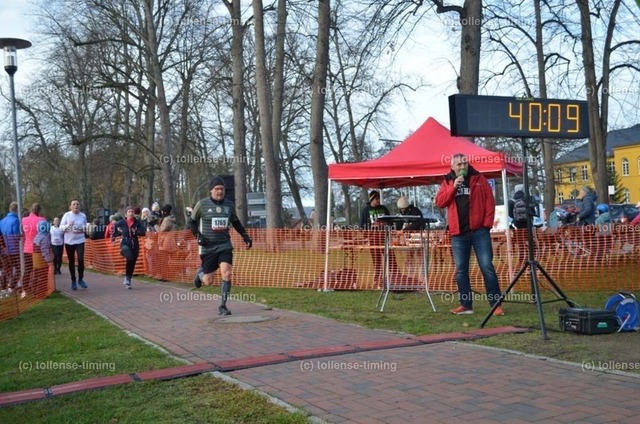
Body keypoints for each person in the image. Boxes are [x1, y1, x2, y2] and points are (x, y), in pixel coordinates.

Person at [435, 153, 504, 316]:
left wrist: (486, 225)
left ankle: (496, 305)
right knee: (461, 270)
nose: (462, 167)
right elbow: (440, 202)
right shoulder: (447, 181)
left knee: (487, 266)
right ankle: (466, 305)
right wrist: (453, 187)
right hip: (458, 233)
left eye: (464, 163)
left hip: (479, 231)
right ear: (452, 167)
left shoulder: (479, 178)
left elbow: (489, 202)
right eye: (459, 164)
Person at [187, 176, 252, 316]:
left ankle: (223, 306)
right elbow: (191, 222)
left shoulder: (229, 205)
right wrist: (198, 236)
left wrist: (245, 236)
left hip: (224, 245)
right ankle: (200, 274)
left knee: (226, 274)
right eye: (217, 189)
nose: (220, 192)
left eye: (222, 189)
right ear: (211, 190)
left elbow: (236, 222)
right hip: (208, 246)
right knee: (208, 281)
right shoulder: (202, 204)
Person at [359, 190, 391, 286]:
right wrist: (366, 235)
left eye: (379, 199)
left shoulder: (383, 208)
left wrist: (389, 228)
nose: (378, 201)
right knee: (376, 259)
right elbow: (361, 225)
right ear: (372, 199)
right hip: (373, 238)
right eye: (376, 199)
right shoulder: (366, 210)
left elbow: (390, 220)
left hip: (384, 237)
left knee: (390, 257)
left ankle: (393, 276)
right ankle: (377, 279)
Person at [112, 206, 146, 289]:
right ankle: (123, 252)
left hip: (134, 243)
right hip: (125, 242)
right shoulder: (122, 222)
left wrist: (136, 232)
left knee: (133, 261)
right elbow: (114, 226)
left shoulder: (137, 223)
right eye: (129, 212)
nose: (131, 213)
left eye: (132, 211)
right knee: (129, 257)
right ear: (126, 214)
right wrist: (114, 236)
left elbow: (143, 233)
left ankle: (128, 278)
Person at [60, 199, 88, 290]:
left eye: (77, 204)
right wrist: (68, 225)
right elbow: (61, 228)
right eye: (74, 204)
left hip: (80, 241)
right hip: (69, 242)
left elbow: (86, 227)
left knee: (81, 260)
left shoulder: (83, 215)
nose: (76, 206)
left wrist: (82, 228)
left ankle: (80, 279)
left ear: (79, 206)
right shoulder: (67, 215)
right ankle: (73, 280)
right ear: (70, 206)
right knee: (71, 261)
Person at [22, 203, 46, 297]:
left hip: (27, 248)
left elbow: (22, 233)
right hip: (37, 249)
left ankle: (25, 290)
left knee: (27, 270)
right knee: (37, 270)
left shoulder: (24, 220)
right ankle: (35, 291)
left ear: (31, 209)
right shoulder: (42, 220)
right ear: (39, 210)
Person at [0, 202, 21, 295]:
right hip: (14, 249)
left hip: (4, 249)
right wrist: (21, 236)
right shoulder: (16, 220)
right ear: (17, 210)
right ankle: (11, 286)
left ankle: (3, 287)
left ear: (9, 209)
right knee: (18, 269)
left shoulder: (2, 221)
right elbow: (16, 236)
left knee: (6, 269)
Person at [33, 220, 54, 296]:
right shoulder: (44, 238)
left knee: (36, 276)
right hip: (42, 261)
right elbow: (45, 251)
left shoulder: (37, 236)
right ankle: (40, 293)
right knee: (42, 277)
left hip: (35, 260)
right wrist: (49, 260)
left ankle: (35, 292)